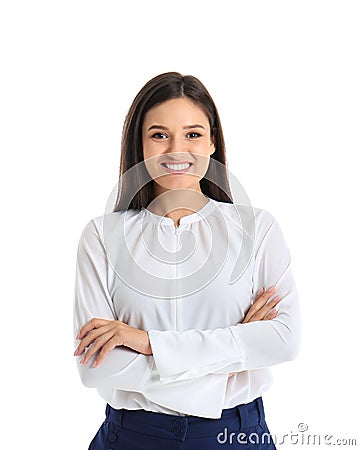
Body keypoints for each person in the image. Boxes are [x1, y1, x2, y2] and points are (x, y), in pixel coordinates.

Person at [73, 72, 301, 449]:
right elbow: (96, 368)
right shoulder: (102, 236)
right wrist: (238, 349)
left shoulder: (257, 229)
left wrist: (147, 343)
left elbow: (285, 342)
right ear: (140, 145)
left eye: (192, 134)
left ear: (213, 142)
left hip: (236, 435)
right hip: (134, 437)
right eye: (159, 135)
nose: (177, 151)